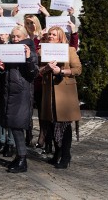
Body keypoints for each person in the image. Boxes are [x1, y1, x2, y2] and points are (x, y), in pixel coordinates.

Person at [0, 26, 38, 173]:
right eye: (13, 36)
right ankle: (20, 157)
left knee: (17, 126)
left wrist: (28, 58)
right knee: (13, 126)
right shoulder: (9, 50)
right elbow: (7, 73)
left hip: (21, 94)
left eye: (18, 36)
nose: (15, 39)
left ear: (25, 36)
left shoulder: (30, 51)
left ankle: (22, 160)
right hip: (10, 92)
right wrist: (2, 68)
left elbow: (33, 73)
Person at [39, 26, 82, 169]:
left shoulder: (69, 50)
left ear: (60, 37)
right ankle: (57, 153)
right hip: (49, 92)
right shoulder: (43, 50)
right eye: (49, 34)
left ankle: (66, 156)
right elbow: (38, 70)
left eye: (54, 34)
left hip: (64, 93)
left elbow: (78, 69)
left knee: (64, 125)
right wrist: (47, 68)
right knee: (51, 124)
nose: (50, 36)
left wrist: (61, 71)